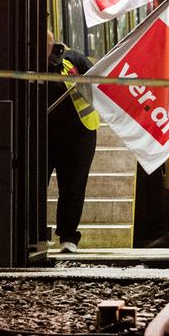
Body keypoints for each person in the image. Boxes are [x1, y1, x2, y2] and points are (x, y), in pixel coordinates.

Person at [45, 30, 99, 253]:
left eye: (46, 43)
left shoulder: (73, 60)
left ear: (51, 43)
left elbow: (97, 82)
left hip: (79, 135)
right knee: (33, 187)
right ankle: (33, 234)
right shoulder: (27, 65)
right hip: (42, 137)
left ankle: (68, 237)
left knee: (73, 188)